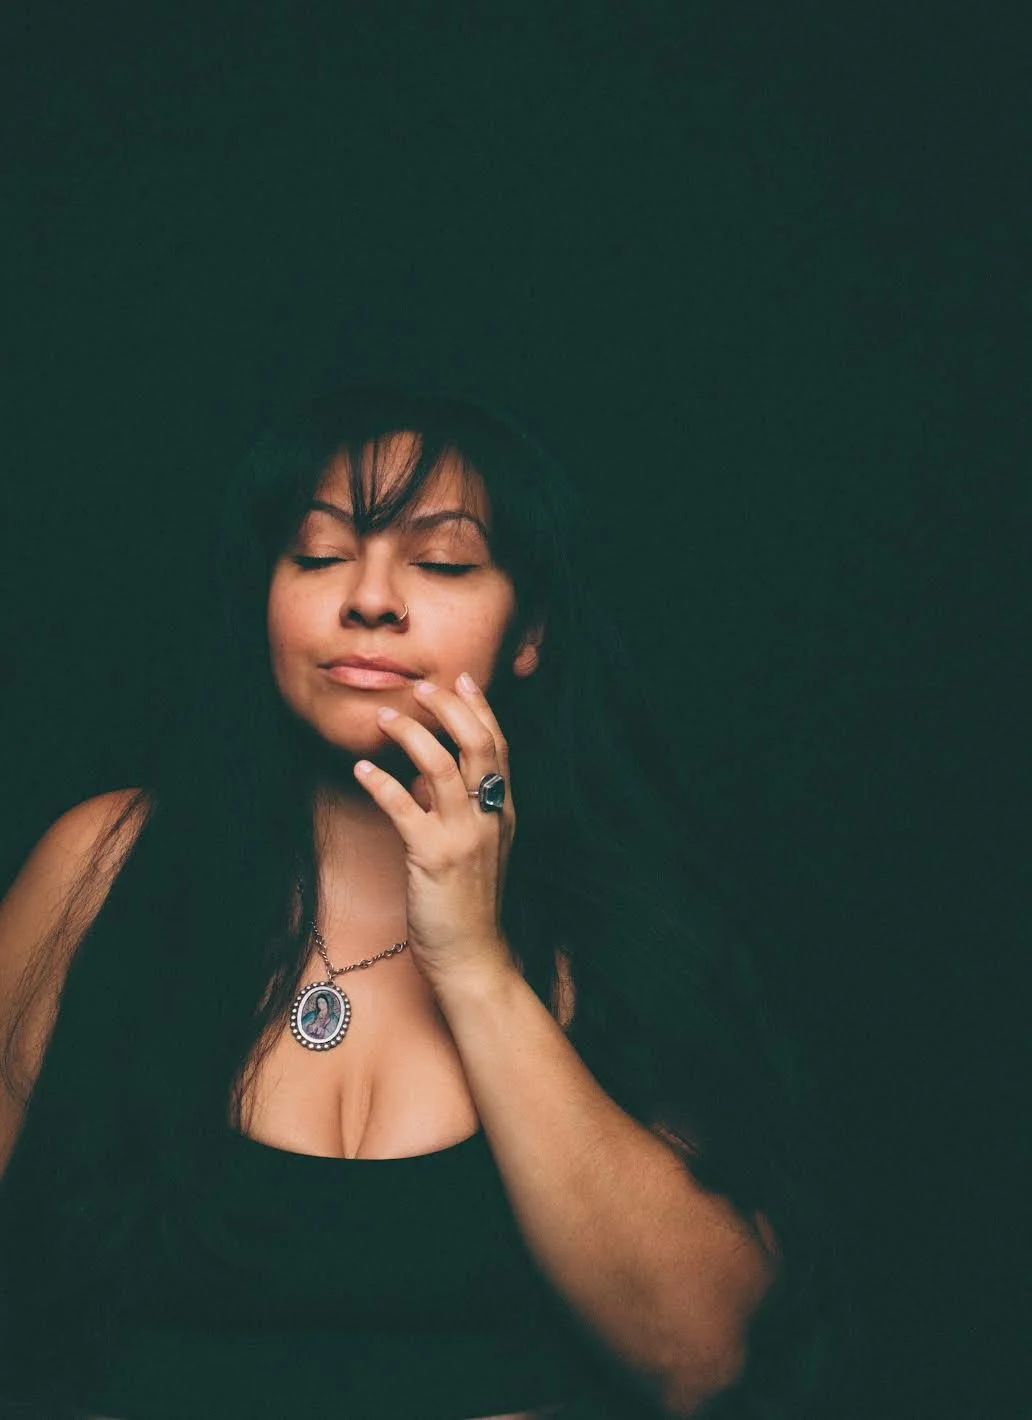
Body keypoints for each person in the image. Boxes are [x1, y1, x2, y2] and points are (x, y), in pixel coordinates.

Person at [0, 385, 841, 1419]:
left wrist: (476, 968)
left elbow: (703, 1356)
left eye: (441, 561)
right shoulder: (104, 867)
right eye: (317, 554)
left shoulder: (623, 918)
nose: (370, 599)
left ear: (527, 631)